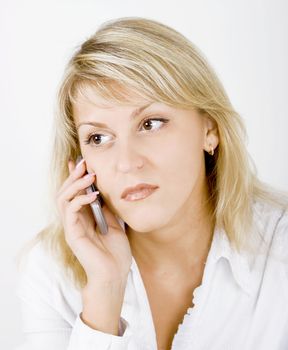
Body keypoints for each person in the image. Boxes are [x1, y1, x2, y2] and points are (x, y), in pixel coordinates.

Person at [16, 17, 288, 350]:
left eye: (151, 123)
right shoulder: (50, 271)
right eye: (98, 137)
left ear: (210, 129)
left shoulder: (280, 251)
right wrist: (104, 292)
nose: (127, 162)